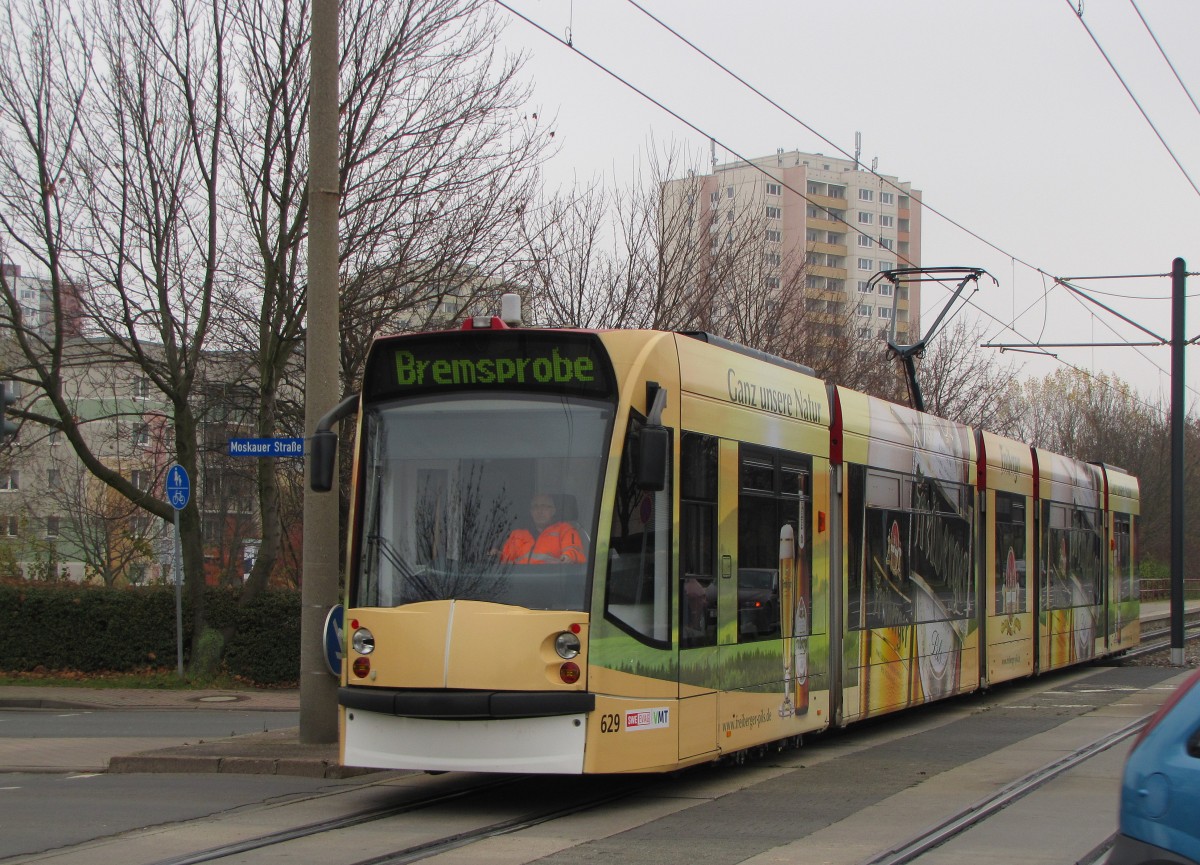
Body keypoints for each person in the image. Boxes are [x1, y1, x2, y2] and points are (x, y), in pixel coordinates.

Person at [499, 493, 586, 564]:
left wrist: (566, 558)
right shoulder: (517, 535)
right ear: (531, 512)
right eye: (535, 507)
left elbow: (574, 551)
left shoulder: (565, 530)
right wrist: (496, 556)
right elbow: (504, 560)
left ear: (553, 511)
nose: (540, 511)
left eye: (545, 506)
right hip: (519, 582)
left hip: (553, 582)